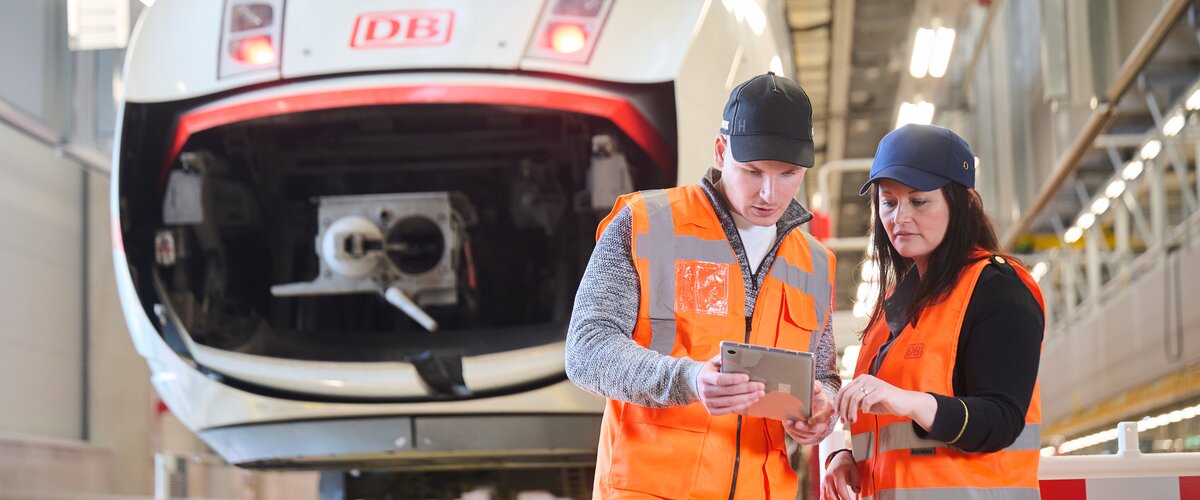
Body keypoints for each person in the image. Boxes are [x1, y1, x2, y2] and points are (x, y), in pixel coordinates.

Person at [565, 72, 840, 499]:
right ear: (720, 150)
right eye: (752, 171)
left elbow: (823, 375)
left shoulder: (816, 263)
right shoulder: (647, 223)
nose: (769, 192)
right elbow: (586, 349)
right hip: (651, 489)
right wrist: (689, 380)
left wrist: (823, 409)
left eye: (788, 174)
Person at [822, 124, 1045, 500]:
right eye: (888, 202)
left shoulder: (998, 289)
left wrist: (904, 399)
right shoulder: (893, 307)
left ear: (962, 203)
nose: (898, 217)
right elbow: (891, 433)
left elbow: (1001, 419)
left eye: (918, 201)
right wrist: (848, 456)